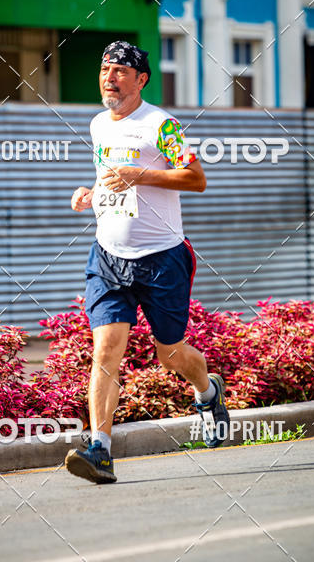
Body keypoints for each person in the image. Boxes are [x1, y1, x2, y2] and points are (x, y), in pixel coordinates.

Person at [65, 41, 230, 484]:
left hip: (162, 260)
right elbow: (110, 182)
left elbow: (196, 179)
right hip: (108, 257)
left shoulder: (162, 125)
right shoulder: (99, 124)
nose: (109, 77)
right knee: (105, 350)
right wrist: (91, 195)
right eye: (104, 68)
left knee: (171, 354)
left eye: (120, 70)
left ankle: (208, 392)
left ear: (141, 80)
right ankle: (100, 450)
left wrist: (142, 174)